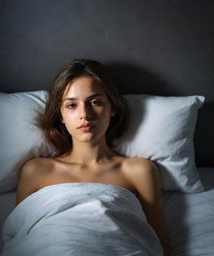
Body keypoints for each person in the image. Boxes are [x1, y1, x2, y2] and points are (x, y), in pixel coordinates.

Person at [16, 59, 169, 255]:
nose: (85, 115)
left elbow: (155, 240)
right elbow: (20, 235)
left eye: (95, 102)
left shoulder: (139, 170)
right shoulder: (36, 170)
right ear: (61, 115)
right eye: (72, 105)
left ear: (112, 108)